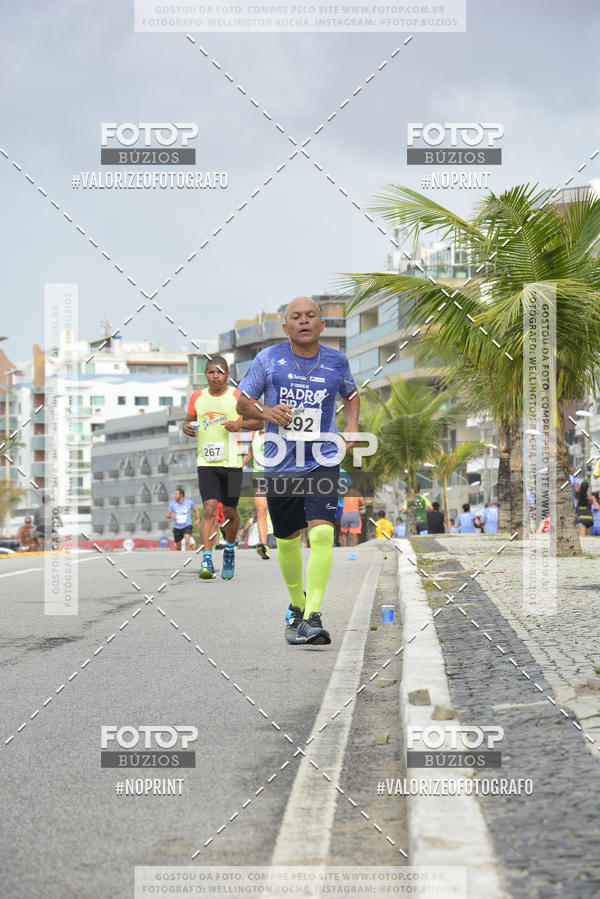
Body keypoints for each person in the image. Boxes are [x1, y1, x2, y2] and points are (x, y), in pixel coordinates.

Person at [236, 295, 359, 646]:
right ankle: (298, 604)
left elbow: (351, 395)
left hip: (323, 459)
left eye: (311, 316)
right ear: (286, 326)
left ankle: (313, 615)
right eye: (296, 317)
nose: (304, 321)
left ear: (322, 324)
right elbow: (242, 402)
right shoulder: (268, 359)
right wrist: (267, 411)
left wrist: (352, 425)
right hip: (280, 463)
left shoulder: (337, 361)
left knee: (321, 535)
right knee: (287, 539)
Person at [183, 356, 262, 579]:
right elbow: (188, 421)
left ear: (227, 375)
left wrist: (239, 423)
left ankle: (229, 548)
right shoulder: (197, 397)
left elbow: (260, 421)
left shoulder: (237, 396)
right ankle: (207, 558)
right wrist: (186, 427)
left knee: (229, 512)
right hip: (206, 462)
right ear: (205, 375)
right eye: (211, 372)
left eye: (220, 372)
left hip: (232, 463)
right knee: (209, 508)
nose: (215, 376)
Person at [241, 428, 270, 560]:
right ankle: (264, 546)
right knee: (261, 510)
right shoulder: (254, 435)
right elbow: (250, 453)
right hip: (259, 476)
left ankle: (285, 542)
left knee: (280, 511)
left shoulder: (275, 431)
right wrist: (239, 465)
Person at [166, 486, 199, 551]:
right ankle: (179, 554)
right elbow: (167, 515)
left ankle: (187, 555)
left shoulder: (189, 502)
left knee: (187, 541)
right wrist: (171, 515)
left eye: (176, 494)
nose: (174, 496)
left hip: (187, 525)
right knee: (178, 546)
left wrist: (198, 518)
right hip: (177, 527)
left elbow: (195, 510)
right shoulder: (172, 504)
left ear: (181, 495)